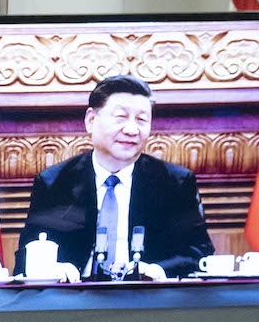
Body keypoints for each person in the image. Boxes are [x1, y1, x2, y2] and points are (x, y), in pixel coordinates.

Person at [13, 75, 214, 280]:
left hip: (149, 301)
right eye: (121, 117)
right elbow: (27, 256)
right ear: (91, 120)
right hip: (75, 301)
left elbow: (200, 253)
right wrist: (54, 269)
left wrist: (159, 271)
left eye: (142, 120)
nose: (131, 130)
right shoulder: (55, 182)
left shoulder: (174, 183)